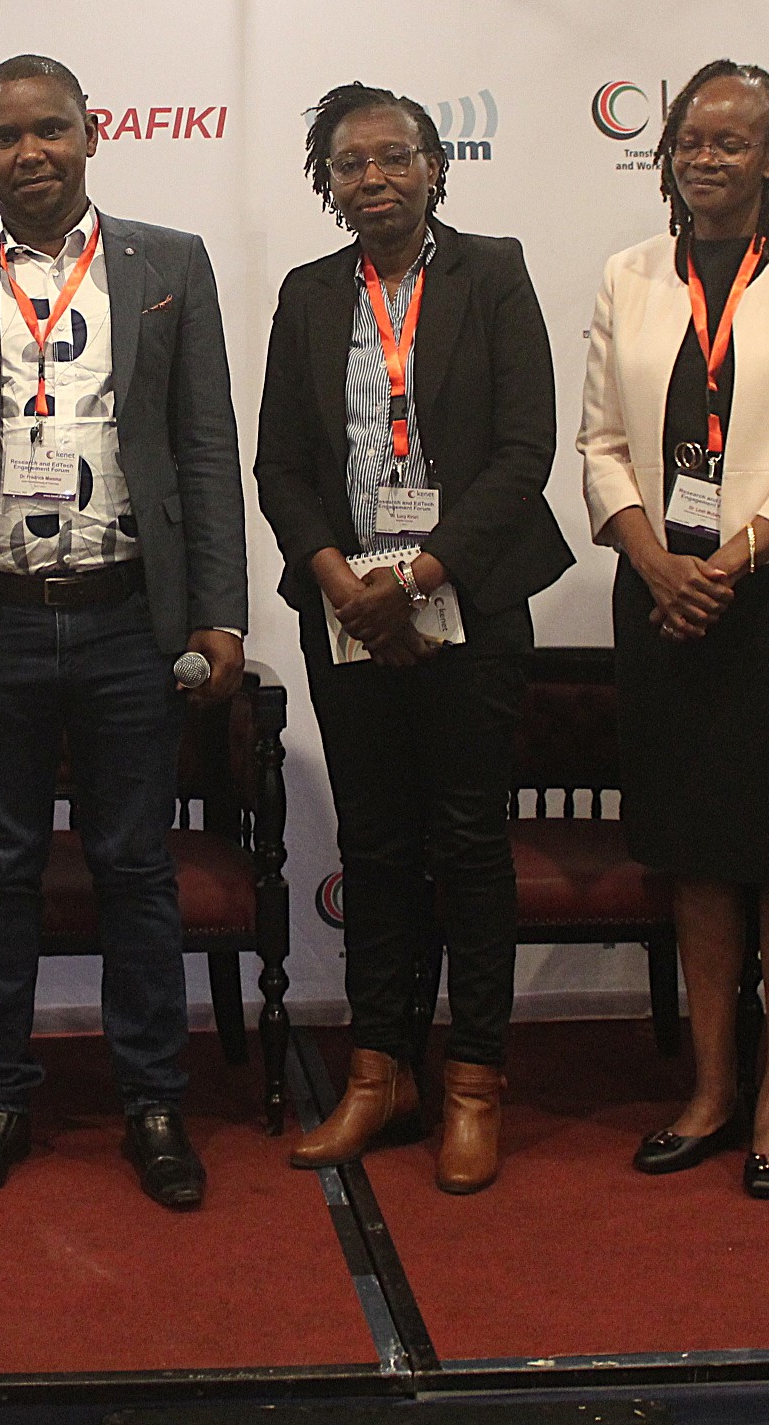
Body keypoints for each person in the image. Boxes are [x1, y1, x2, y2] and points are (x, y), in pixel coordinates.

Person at [0, 54, 247, 1209]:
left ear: (92, 134)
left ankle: (154, 1102)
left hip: (130, 617)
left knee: (137, 865)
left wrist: (220, 610)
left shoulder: (168, 264)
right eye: (5, 137)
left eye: (49, 129)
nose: (28, 152)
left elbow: (204, 447)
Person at [255, 82, 572, 1195]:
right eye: (351, 163)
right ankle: (379, 1074)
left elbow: (525, 451)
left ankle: (475, 1082)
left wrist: (421, 578)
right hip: (349, 616)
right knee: (378, 849)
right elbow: (280, 466)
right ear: (327, 183)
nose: (374, 178)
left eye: (396, 156)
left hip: (469, 605)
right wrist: (344, 584)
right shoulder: (306, 295)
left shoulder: (493, 274)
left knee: (470, 847)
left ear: (437, 167)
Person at [576, 60, 769, 1201]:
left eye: (730, 141)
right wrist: (656, 561)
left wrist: (730, 560)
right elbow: (601, 442)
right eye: (689, 140)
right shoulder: (630, 273)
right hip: (666, 597)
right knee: (698, 854)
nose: (705, 157)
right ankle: (709, 1089)